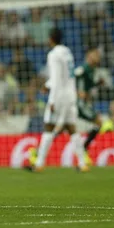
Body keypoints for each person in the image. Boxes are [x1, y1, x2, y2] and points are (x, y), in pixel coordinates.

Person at [26, 28, 88, 173]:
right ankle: (82, 163)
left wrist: (52, 99)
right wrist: (47, 86)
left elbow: (55, 78)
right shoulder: (67, 53)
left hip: (59, 96)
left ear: (50, 39)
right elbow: (67, 76)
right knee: (72, 128)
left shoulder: (53, 54)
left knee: (48, 126)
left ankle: (39, 163)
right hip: (71, 94)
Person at [74, 48, 104, 165]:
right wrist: (78, 93)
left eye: (98, 55)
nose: (97, 57)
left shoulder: (92, 70)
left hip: (80, 103)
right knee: (98, 122)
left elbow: (87, 86)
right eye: (94, 54)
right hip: (78, 104)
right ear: (88, 56)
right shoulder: (83, 69)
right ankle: (83, 150)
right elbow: (74, 79)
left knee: (60, 128)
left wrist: (97, 84)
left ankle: (37, 152)